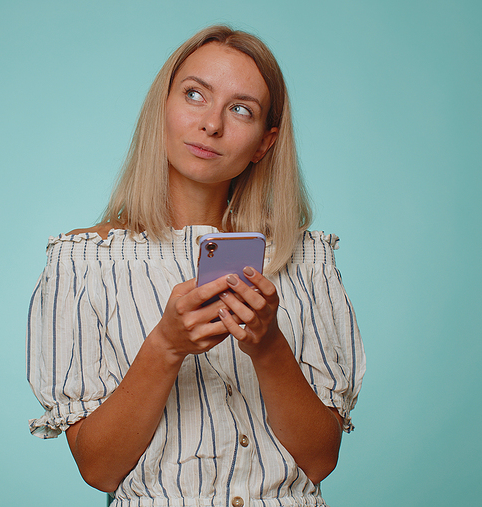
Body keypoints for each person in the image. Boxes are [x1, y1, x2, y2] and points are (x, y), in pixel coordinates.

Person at [27, 25, 365, 507]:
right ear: (161, 107)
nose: (212, 125)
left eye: (241, 109)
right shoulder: (85, 264)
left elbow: (319, 461)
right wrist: (166, 345)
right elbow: (99, 470)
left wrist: (268, 346)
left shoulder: (305, 261)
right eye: (195, 95)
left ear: (265, 143)